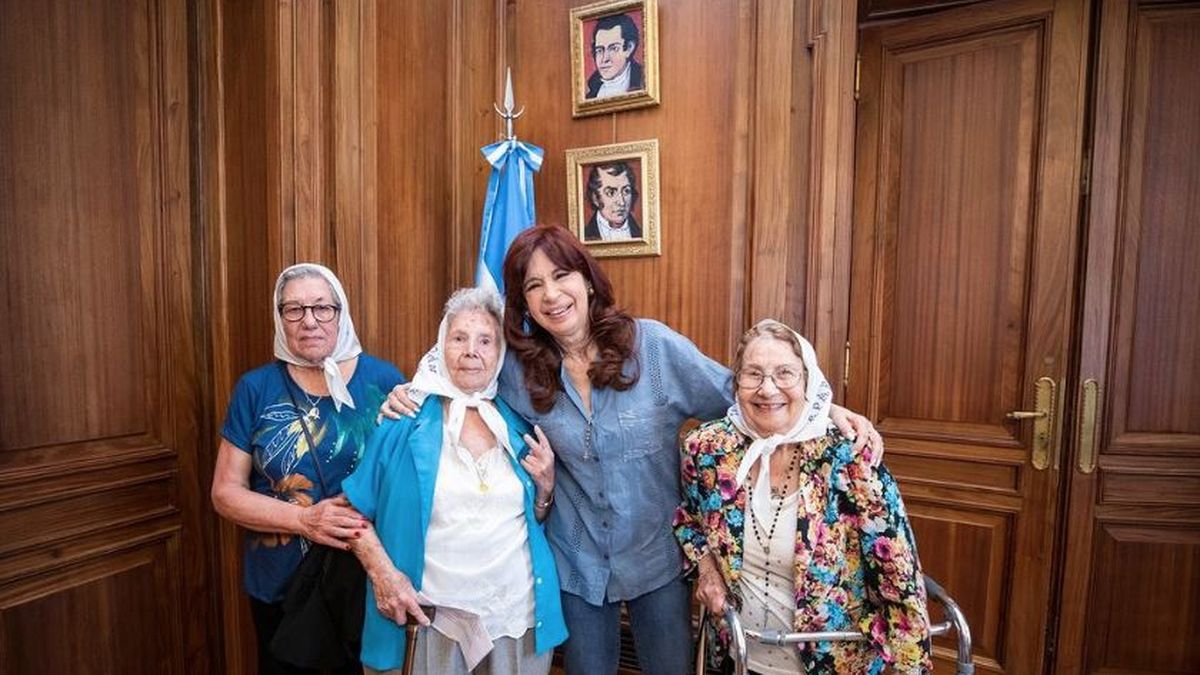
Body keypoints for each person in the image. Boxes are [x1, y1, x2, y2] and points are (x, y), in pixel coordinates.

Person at [381, 225, 883, 675]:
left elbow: (744, 395)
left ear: (587, 280)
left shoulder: (654, 349)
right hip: (576, 564)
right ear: (524, 304)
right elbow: (459, 364)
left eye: (561, 275)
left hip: (656, 560)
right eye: (534, 286)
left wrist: (825, 411)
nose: (551, 294)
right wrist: (409, 393)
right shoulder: (517, 370)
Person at [675, 319, 931, 674]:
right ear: (736, 384)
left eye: (785, 373)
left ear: (808, 381)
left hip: (833, 663)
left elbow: (900, 585)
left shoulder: (850, 461)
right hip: (738, 657)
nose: (767, 389)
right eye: (753, 374)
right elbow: (689, 520)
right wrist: (706, 571)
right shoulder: (708, 449)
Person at [343, 287, 568, 675]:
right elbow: (350, 513)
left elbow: (532, 519)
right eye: (459, 338)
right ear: (440, 345)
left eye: (485, 341)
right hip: (429, 619)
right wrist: (384, 576)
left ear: (500, 352)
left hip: (515, 618)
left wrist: (545, 489)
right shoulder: (402, 417)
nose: (471, 351)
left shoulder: (521, 424)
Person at [211, 263, 406, 675]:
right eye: (294, 309)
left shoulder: (385, 380)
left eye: (322, 307)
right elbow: (225, 492)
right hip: (282, 588)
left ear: (341, 312)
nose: (309, 321)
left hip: (368, 585)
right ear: (279, 317)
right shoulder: (255, 388)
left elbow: (409, 478)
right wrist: (304, 520)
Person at [585, 13, 644, 99]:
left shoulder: (643, 81)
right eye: (600, 50)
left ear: (629, 48)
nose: (605, 59)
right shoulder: (591, 91)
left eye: (613, 48)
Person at [582, 162, 642, 242]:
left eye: (626, 191)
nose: (621, 202)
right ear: (595, 198)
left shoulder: (641, 234)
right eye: (611, 193)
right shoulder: (584, 236)